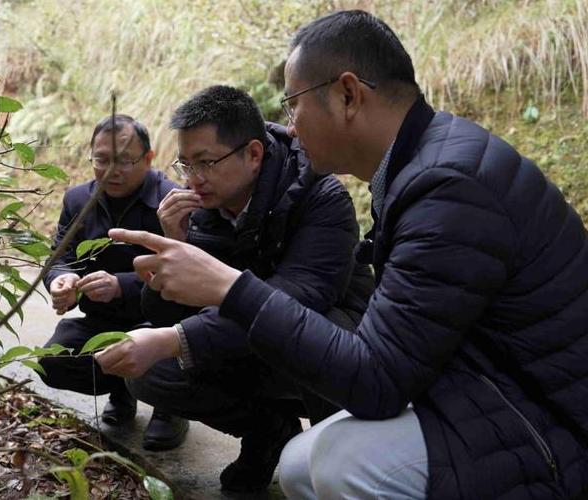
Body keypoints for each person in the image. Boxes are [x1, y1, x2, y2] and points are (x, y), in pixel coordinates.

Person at [98, 10, 588, 500]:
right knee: (301, 464)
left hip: (544, 419)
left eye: (293, 105)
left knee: (341, 465)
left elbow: (374, 375)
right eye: (188, 164)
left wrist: (227, 287)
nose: (291, 127)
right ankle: (268, 431)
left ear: (348, 95)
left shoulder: (445, 189)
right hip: (484, 384)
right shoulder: (420, 167)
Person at [96, 85, 373, 492]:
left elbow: (299, 300)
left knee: (312, 332)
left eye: (206, 162)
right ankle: (267, 431)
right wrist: (176, 245)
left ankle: (337, 457)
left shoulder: (319, 196)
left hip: (330, 340)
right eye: (186, 164)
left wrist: (177, 338)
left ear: (254, 154)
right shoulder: (202, 207)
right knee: (151, 371)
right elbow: (166, 312)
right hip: (248, 338)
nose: (194, 178)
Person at [39, 114, 190, 451]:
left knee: (168, 346)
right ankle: (123, 388)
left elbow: (187, 273)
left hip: (161, 325)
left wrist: (121, 285)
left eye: (124, 161)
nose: (111, 171)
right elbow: (59, 256)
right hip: (103, 322)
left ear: (148, 159)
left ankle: (171, 408)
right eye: (102, 160)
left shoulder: (172, 201)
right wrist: (62, 278)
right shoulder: (78, 200)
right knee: (51, 359)